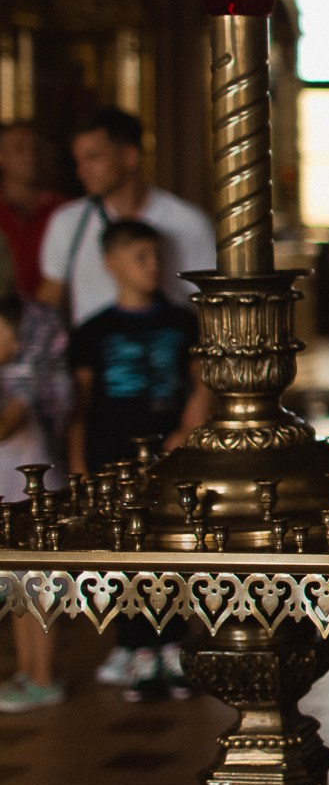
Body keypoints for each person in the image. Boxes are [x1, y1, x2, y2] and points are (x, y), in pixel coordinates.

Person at [68, 220, 209, 701]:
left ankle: (170, 639)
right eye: (140, 257)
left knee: (167, 545)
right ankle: (133, 644)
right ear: (112, 264)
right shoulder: (93, 331)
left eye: (156, 257)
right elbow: (81, 406)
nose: (152, 267)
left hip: (169, 450)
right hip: (112, 453)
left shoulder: (180, 322)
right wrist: (78, 464)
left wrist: (188, 428)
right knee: (122, 550)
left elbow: (202, 381)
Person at [39, 107, 215, 327]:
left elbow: (210, 306)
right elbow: (48, 304)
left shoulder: (188, 222)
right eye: (79, 161)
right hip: (92, 356)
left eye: (93, 158)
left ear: (130, 156)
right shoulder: (67, 223)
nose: (82, 171)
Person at [0, 295, 65, 713]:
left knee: (35, 586)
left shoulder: (25, 377)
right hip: (13, 488)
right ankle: (27, 672)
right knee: (17, 587)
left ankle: (43, 678)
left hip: (28, 490)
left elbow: (8, 425)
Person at [0, 122, 61, 302]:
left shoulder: (65, 211)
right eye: (20, 149)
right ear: (2, 156)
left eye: (36, 149)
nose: (30, 156)